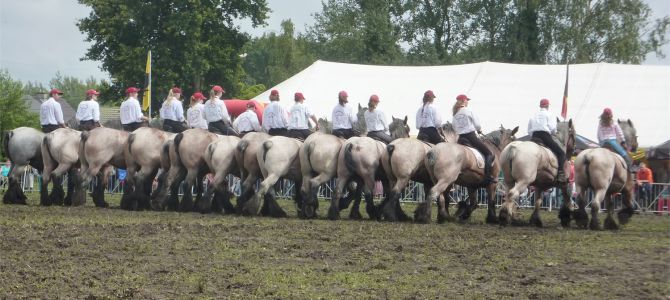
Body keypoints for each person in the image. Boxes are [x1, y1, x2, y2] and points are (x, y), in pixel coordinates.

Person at [452, 94, 496, 184]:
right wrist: (479, 130)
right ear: (464, 100)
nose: (467, 102)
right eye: (467, 100)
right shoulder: (468, 110)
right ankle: (487, 177)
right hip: (471, 137)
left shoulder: (455, 114)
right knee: (489, 154)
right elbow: (478, 125)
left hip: (460, 138)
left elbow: (454, 128)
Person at [528, 98, 567, 182]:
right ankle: (560, 174)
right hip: (544, 136)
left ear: (540, 106)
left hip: (534, 136)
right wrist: (554, 132)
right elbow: (553, 129)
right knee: (561, 153)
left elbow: (529, 131)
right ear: (547, 106)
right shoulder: (549, 114)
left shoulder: (533, 115)